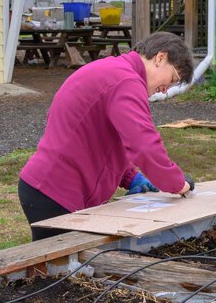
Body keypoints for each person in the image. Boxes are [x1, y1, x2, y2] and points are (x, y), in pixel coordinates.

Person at [18, 32, 195, 239]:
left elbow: (102, 137)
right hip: (56, 193)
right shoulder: (127, 81)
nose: (165, 91)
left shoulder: (115, 71)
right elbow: (144, 146)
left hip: (47, 188)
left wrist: (130, 177)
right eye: (172, 79)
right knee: (61, 269)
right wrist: (177, 184)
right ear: (160, 57)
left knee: (66, 267)